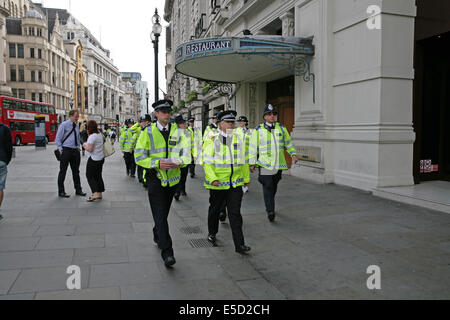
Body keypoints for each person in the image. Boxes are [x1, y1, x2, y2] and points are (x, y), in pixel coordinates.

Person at [134, 99, 191, 268]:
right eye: (163, 111)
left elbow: (187, 154)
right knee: (160, 214)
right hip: (155, 179)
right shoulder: (147, 132)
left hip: (172, 181)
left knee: (163, 214)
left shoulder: (180, 132)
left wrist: (179, 162)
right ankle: (168, 252)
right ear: (156, 114)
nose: (167, 114)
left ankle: (156, 232)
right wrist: (156, 163)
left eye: (168, 111)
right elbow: (139, 157)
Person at [203, 110, 251, 255]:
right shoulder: (212, 140)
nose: (231, 124)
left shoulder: (238, 139)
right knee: (215, 210)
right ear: (220, 124)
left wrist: (246, 179)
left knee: (235, 214)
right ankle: (212, 232)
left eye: (232, 122)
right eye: (228, 122)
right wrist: (213, 178)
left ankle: (239, 244)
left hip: (235, 184)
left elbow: (243, 161)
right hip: (217, 184)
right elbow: (207, 162)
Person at [249, 104, 299, 222]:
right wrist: (251, 163)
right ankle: (270, 210)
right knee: (268, 185)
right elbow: (252, 148)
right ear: (265, 116)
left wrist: (293, 154)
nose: (272, 116)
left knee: (274, 186)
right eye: (269, 114)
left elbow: (288, 143)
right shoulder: (258, 130)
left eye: (274, 114)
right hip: (265, 164)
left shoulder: (281, 128)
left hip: (278, 164)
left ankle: (270, 202)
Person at [55, 110, 87, 198]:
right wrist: (61, 149)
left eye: (78, 116)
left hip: (75, 151)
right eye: (76, 116)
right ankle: (61, 191)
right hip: (66, 150)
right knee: (63, 171)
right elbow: (57, 138)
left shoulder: (76, 125)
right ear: (70, 116)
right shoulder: (64, 125)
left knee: (76, 171)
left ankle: (78, 190)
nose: (77, 118)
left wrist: (78, 147)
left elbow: (77, 137)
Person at [82, 120, 105, 202]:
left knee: (89, 175)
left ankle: (95, 193)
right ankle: (99, 193)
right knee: (98, 175)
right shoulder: (100, 135)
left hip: (94, 159)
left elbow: (90, 149)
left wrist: (84, 145)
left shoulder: (93, 136)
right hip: (101, 158)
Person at [174, 115, 191, 201]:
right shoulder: (174, 133)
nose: (185, 125)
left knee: (184, 176)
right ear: (178, 124)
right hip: (178, 159)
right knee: (178, 176)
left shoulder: (188, 132)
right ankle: (177, 192)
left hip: (186, 159)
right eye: (182, 123)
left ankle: (182, 190)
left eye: (185, 123)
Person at [235, 116, 251, 194]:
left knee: (246, 173)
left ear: (245, 122)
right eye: (239, 122)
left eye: (242, 121)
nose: (240, 123)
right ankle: (240, 186)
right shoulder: (235, 131)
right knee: (239, 172)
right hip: (238, 156)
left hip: (247, 156)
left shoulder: (250, 131)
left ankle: (246, 187)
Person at [0, 121, 13, 218]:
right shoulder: (4, 128)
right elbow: (9, 147)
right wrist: (6, 160)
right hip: (1, 160)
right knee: (0, 187)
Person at [136, 115, 152, 187]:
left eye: (143, 121)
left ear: (148, 122)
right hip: (142, 153)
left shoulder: (150, 129)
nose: (141, 123)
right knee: (142, 168)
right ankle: (143, 179)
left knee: (146, 169)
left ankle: (145, 181)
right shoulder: (142, 129)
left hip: (149, 153)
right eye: (141, 122)